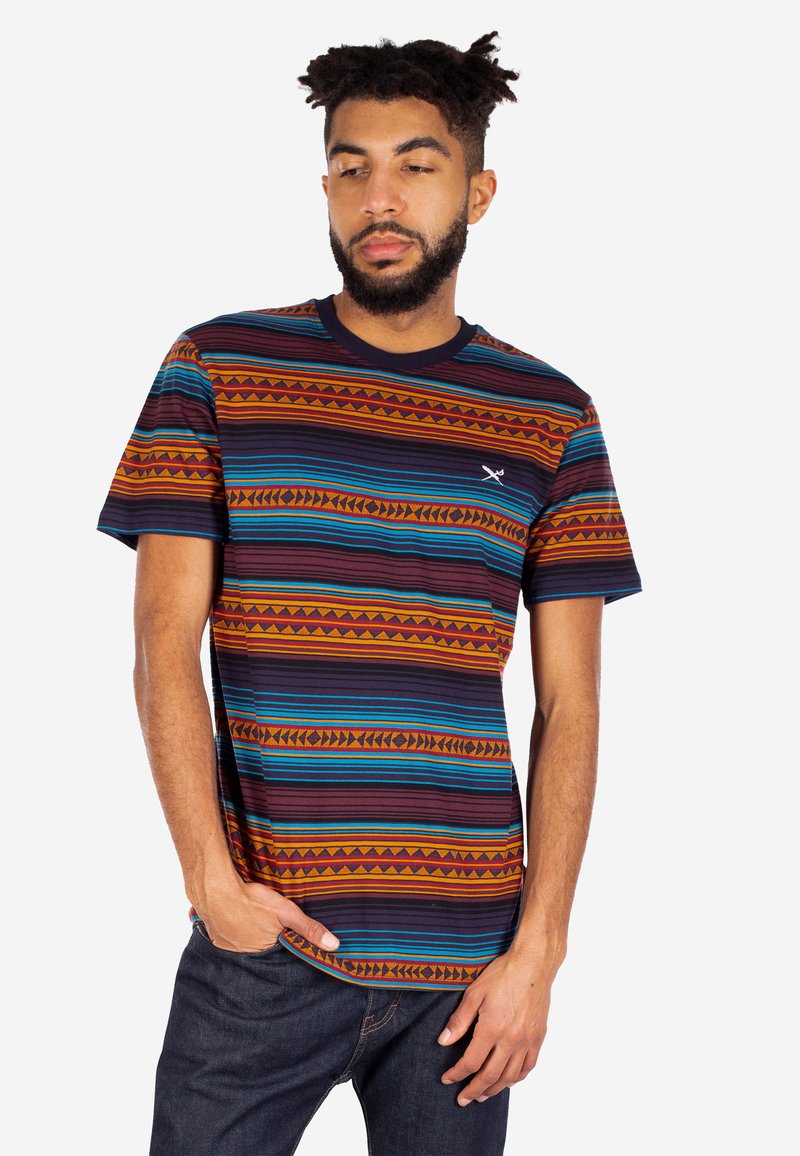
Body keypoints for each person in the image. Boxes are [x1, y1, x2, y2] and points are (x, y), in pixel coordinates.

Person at [97, 29, 643, 1156]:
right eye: (351, 167)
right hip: (264, 952)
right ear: (326, 188)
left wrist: (538, 952)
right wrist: (212, 885)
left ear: (477, 193)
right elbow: (161, 644)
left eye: (415, 165)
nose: (378, 198)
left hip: (468, 974)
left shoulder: (551, 416)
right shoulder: (217, 368)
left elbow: (571, 704)